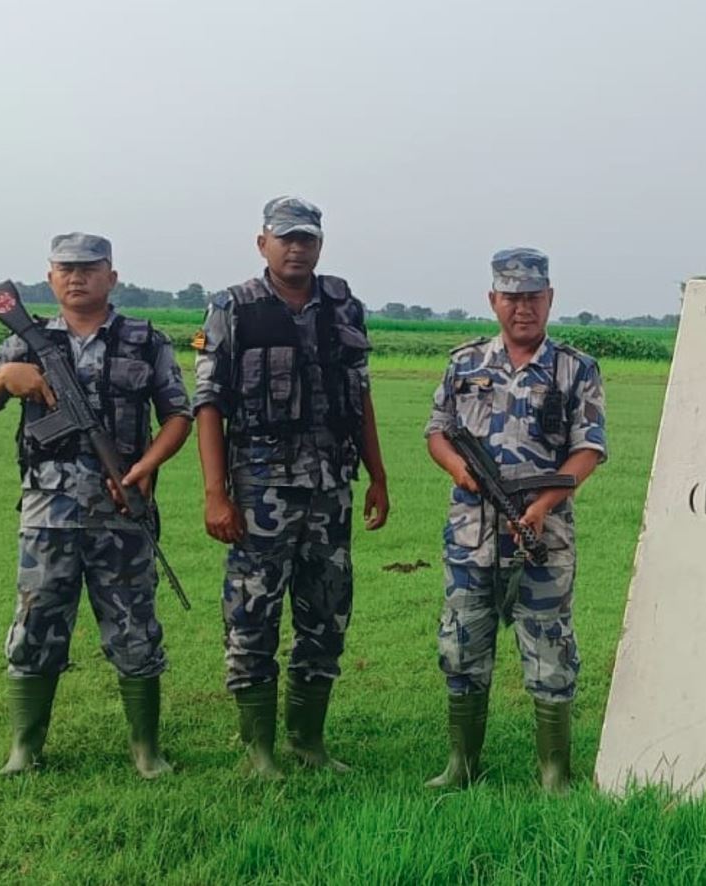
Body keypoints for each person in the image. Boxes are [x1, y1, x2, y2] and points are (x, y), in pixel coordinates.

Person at [0, 233, 192, 778]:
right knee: (37, 624)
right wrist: (3, 378)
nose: (76, 277)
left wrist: (146, 466)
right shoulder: (27, 340)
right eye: (65, 268)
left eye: (89, 268)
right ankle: (24, 748)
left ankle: (146, 751)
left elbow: (177, 415)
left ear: (111, 276)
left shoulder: (144, 340)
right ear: (49, 278)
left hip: (122, 508)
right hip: (48, 515)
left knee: (135, 628)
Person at [192, 197, 390, 778]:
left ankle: (309, 743)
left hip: (332, 488)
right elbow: (209, 404)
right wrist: (214, 493)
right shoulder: (232, 307)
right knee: (252, 613)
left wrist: (378, 474)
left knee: (326, 613)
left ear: (320, 244)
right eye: (285, 238)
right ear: (263, 244)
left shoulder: (343, 305)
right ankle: (258, 752)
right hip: (260, 490)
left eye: (306, 238)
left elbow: (362, 394)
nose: (296, 248)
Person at [423, 247, 606, 791]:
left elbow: (589, 448)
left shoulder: (576, 369)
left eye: (532, 297)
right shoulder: (464, 365)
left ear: (549, 299)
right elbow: (437, 431)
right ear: (493, 301)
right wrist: (460, 470)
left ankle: (555, 773)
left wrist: (543, 502)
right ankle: (461, 766)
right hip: (471, 535)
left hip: (542, 537)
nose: (522, 308)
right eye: (511, 297)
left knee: (550, 648)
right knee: (462, 647)